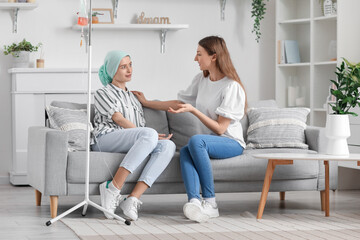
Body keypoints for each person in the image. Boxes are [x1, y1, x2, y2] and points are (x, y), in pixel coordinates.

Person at [132, 36, 247, 223]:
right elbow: (178, 103)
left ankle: (211, 203)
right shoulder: (201, 80)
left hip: (232, 142)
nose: (196, 59)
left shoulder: (231, 86)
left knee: (195, 141)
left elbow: (220, 129)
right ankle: (194, 202)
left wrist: (193, 110)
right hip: (211, 141)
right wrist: (147, 102)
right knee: (186, 150)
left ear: (214, 57)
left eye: (199, 54)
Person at [91, 50, 176, 221]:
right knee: (149, 134)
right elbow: (118, 119)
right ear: (112, 71)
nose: (129, 70)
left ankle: (132, 199)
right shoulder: (102, 93)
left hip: (131, 139)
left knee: (168, 146)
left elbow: (142, 129)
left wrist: (148, 136)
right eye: (123, 67)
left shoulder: (134, 98)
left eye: (130, 65)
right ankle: (113, 188)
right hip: (106, 138)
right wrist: (147, 135)